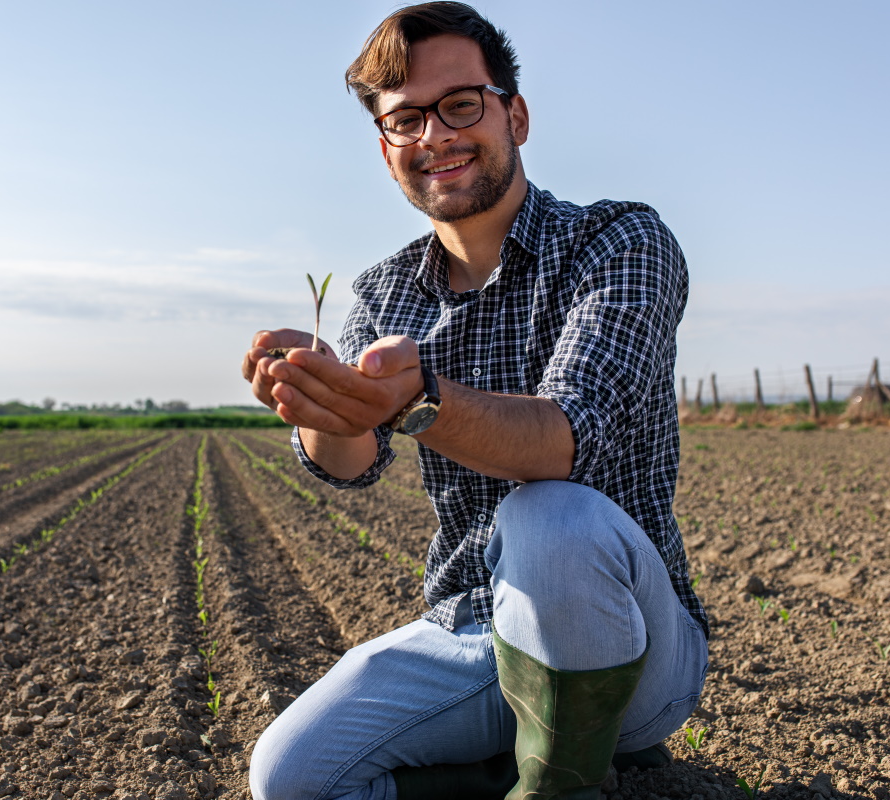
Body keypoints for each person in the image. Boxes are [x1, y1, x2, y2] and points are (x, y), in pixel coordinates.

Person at [240, 3, 708, 798]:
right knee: (290, 779)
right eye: (405, 120)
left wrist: (415, 400)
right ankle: (522, 765)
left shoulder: (619, 243)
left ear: (515, 115)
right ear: (386, 152)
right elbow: (350, 465)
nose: (435, 136)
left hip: (629, 646)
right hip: (475, 628)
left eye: (461, 105)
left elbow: (566, 440)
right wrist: (328, 406)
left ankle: (575, 769)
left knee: (550, 514)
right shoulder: (385, 292)